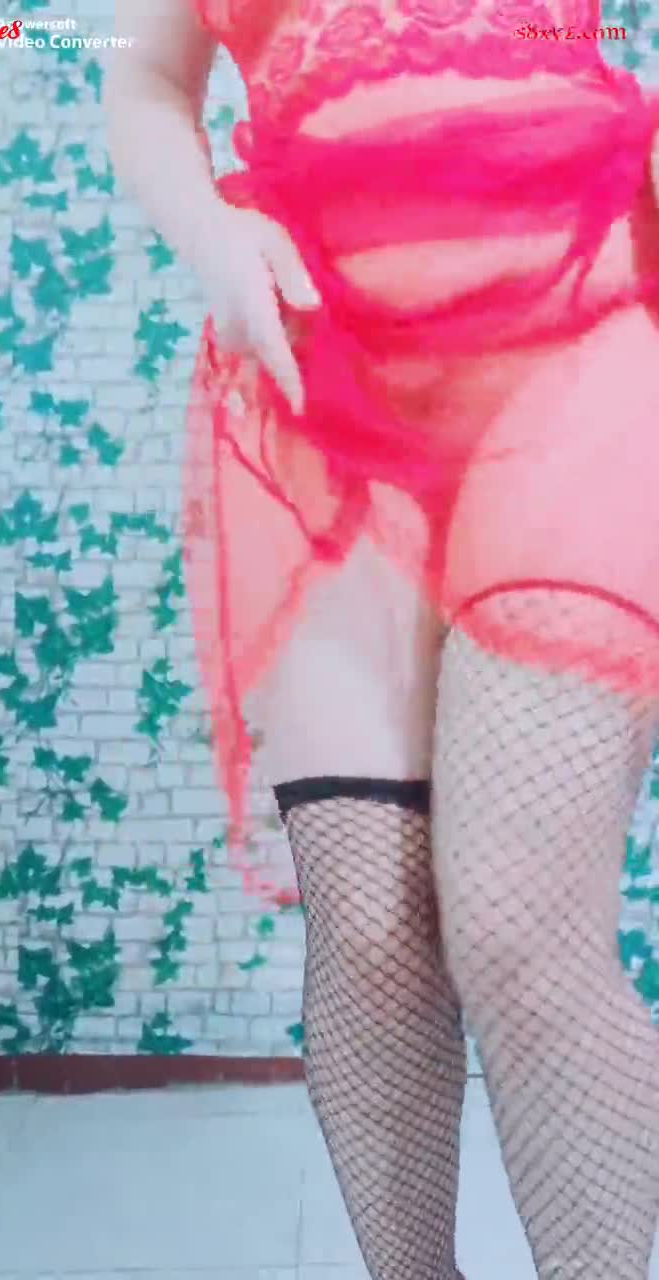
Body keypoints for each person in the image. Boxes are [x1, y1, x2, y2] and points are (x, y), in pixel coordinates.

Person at [105, 2, 659, 1276]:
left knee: (518, 925)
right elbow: (135, 73)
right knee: (368, 931)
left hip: (579, 351)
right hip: (320, 385)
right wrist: (214, 235)